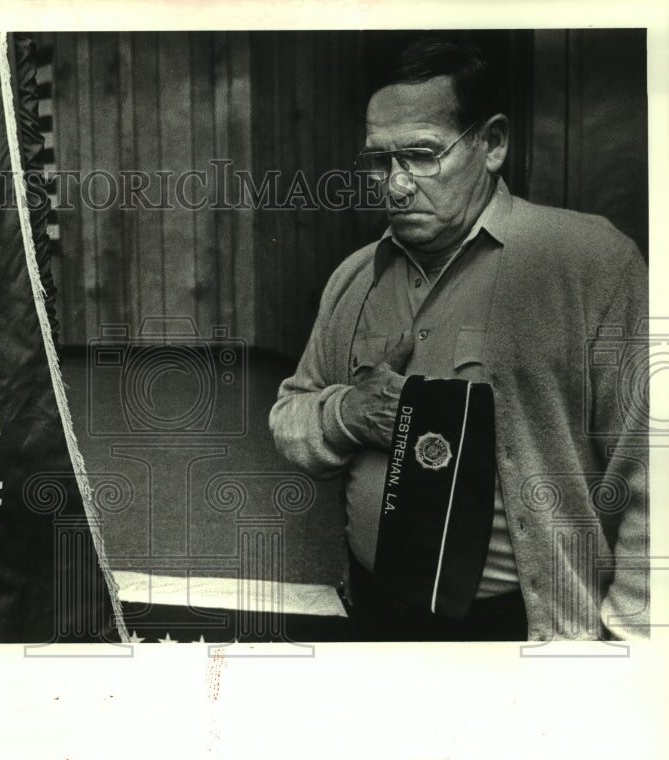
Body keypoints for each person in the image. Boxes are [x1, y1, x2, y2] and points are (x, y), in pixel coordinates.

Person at [269, 37, 648, 642]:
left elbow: (650, 467)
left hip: (527, 632)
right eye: (379, 161)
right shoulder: (353, 278)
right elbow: (290, 415)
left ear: (491, 143)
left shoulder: (590, 262)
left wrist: (634, 644)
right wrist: (348, 414)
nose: (394, 186)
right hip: (375, 613)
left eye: (421, 155)